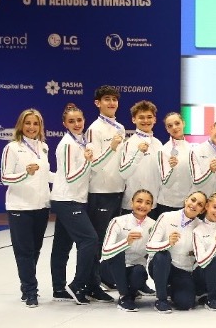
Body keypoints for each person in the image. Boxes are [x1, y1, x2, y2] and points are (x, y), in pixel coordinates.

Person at [0, 108, 52, 307]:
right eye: (28, 123)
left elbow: (46, 176)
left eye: (35, 123)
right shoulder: (12, 148)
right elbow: (5, 177)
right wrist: (24, 174)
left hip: (41, 206)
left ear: (40, 127)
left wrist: (67, 180)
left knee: (35, 250)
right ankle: (30, 290)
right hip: (19, 206)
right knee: (24, 251)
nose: (31, 127)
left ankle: (27, 286)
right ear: (21, 125)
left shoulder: (43, 147)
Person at [49, 104, 99, 305]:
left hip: (72, 198)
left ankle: (59, 288)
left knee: (62, 244)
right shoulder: (68, 144)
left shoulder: (81, 142)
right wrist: (87, 162)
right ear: (64, 124)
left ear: (84, 120)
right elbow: (71, 176)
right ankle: (77, 285)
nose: (77, 124)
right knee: (89, 240)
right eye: (71, 121)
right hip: (67, 199)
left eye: (79, 120)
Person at [85, 85, 125, 302]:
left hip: (118, 190)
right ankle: (92, 284)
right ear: (97, 103)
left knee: (113, 239)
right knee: (98, 240)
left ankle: (107, 277)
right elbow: (94, 165)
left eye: (114, 99)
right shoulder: (94, 129)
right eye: (106, 99)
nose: (111, 103)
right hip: (100, 191)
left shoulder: (119, 127)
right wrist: (112, 147)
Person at [146, 191, 207, 312]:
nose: (194, 205)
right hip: (161, 265)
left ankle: (171, 289)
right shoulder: (166, 217)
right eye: (193, 200)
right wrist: (167, 243)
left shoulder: (201, 226)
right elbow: (149, 246)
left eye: (200, 204)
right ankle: (161, 299)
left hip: (183, 271)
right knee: (162, 255)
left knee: (186, 303)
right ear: (186, 200)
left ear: (202, 210)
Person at [99, 189, 155, 312]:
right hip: (111, 269)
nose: (142, 206)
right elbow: (105, 251)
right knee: (119, 252)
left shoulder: (153, 225)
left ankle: (132, 291)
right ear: (131, 203)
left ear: (151, 207)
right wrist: (126, 242)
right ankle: (124, 296)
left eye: (147, 203)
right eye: (139, 201)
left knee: (140, 272)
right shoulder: (117, 221)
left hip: (134, 267)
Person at [118, 101, 163, 216]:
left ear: (155, 119)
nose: (146, 121)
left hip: (153, 204)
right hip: (133, 205)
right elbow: (123, 173)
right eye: (141, 117)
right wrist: (138, 153)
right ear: (134, 120)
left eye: (149, 117)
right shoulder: (130, 143)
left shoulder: (158, 143)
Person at [157, 112, 193, 213]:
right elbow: (166, 183)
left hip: (188, 204)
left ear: (183, 123)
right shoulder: (163, 150)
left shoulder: (193, 149)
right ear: (167, 129)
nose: (174, 127)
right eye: (170, 126)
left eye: (177, 123)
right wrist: (173, 168)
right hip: (167, 204)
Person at [191, 118, 216, 199]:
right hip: (200, 202)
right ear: (212, 128)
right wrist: (210, 171)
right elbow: (196, 181)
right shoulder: (195, 150)